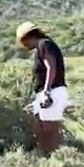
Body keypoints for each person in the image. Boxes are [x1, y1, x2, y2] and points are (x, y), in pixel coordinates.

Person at [15, 21, 69, 157]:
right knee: (40, 128)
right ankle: (46, 156)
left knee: (51, 130)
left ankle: (59, 158)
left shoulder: (44, 44)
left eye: (24, 42)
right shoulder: (43, 46)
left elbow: (51, 66)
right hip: (47, 92)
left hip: (52, 91)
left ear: (27, 37)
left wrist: (46, 91)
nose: (25, 46)